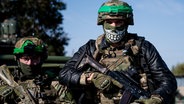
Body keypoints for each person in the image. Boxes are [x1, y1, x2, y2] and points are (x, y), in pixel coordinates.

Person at [58, 0, 177, 104]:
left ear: (126, 23)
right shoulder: (91, 48)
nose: (114, 26)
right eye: (109, 22)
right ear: (103, 23)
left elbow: (168, 80)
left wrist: (155, 99)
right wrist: (92, 77)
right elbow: (64, 74)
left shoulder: (143, 48)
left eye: (119, 22)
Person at [0, 36, 75, 104]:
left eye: (35, 58)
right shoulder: (4, 83)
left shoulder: (55, 84)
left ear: (42, 59)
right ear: (17, 60)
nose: (30, 63)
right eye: (26, 59)